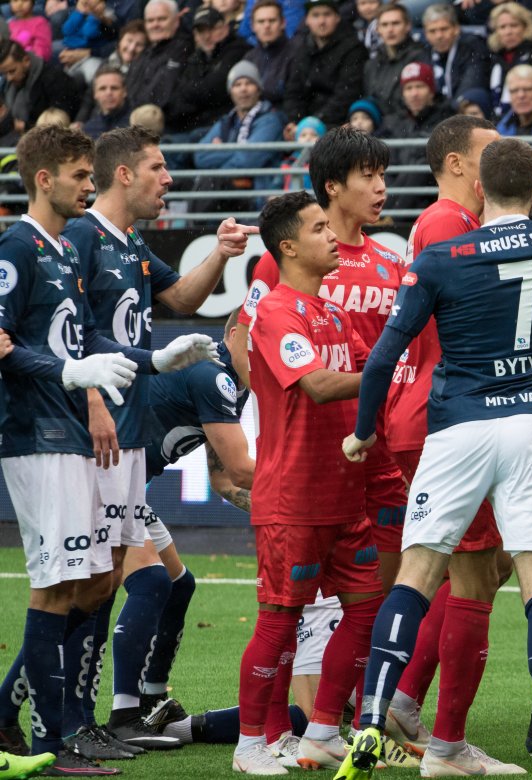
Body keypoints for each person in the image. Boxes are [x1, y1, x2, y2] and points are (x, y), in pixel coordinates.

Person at [337, 136, 532, 780]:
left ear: (480, 188)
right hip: (529, 425)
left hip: (456, 428)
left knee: (417, 574)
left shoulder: (440, 256)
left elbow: (386, 356)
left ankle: (368, 725)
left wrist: (363, 430)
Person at [0, 125, 219, 776]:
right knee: (63, 584)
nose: (87, 184)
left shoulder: (69, 251)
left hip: (91, 427)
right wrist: (76, 383)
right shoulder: (26, 244)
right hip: (47, 431)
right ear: (46, 178)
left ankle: (65, 724)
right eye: (77, 174)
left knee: (94, 580)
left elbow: (91, 338)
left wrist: (154, 356)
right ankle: (54, 734)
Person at [60, 125, 256, 752]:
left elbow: (180, 295)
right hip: (94, 443)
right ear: (124, 174)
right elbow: (69, 333)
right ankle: (99, 715)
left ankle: (133, 704)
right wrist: (92, 398)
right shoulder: (82, 237)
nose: (169, 179)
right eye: (159, 167)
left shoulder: (133, 243)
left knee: (162, 584)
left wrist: (221, 254)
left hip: (129, 455)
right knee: (107, 586)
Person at [375, 115, 519, 776]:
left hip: (436, 414)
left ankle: (403, 703)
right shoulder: (446, 223)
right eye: (491, 154)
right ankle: (445, 745)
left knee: (485, 568)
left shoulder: (454, 224)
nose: (502, 163)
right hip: (445, 416)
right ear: (459, 163)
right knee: (471, 576)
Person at [230, 191, 384, 775]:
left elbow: (373, 372)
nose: (333, 237)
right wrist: (386, 370)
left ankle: (321, 731)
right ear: (288, 246)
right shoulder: (274, 312)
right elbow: (318, 384)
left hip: (345, 496)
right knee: (280, 619)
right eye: (321, 229)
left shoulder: (336, 314)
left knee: (366, 610)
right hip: (292, 498)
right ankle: (250, 747)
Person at [194, 59, 286, 210]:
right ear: (231, 91)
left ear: (258, 89)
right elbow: (199, 156)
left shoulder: (270, 120)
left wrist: (222, 150)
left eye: (249, 83)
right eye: (237, 84)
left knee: (209, 182)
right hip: (227, 195)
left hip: (257, 199)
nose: (243, 89)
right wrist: (239, 150)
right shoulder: (226, 122)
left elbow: (248, 161)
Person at [167, 5, 251, 137]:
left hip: (222, 126)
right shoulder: (196, 57)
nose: (206, 36)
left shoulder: (239, 50)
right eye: (201, 31)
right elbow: (178, 95)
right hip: (193, 125)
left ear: (225, 28)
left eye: (211, 29)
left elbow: (215, 89)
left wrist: (192, 95)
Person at [282, 0, 366, 131]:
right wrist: (296, 121)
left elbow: (346, 94)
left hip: (338, 124)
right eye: (315, 15)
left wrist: (314, 123)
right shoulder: (301, 50)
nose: (321, 21)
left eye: (327, 14)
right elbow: (293, 92)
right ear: (307, 20)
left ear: (337, 17)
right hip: (305, 127)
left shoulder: (353, 48)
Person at [384, 62, 456, 212]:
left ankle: (390, 216)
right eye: (409, 88)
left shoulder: (447, 118)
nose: (414, 93)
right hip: (399, 192)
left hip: (431, 196)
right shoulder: (394, 121)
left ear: (431, 91)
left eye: (420, 87)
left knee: (419, 167)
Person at [0, 40, 84, 132]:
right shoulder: (9, 84)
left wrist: (23, 126)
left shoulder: (55, 79)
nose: (9, 78)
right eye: (4, 73)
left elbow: (60, 123)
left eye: (12, 71)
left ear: (26, 60)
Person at [363, 3, 427, 122]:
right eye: (385, 25)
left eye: (395, 23)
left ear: (408, 26)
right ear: (378, 29)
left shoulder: (420, 57)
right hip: (378, 128)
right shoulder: (371, 64)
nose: (390, 30)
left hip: (407, 128)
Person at [126, 0, 193, 112]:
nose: (155, 25)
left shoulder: (183, 48)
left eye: (162, 19)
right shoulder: (145, 53)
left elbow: (162, 96)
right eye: (150, 20)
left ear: (176, 21)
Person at [487, 2, 532, 117]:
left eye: (514, 25)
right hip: (497, 116)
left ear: (525, 27)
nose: (508, 32)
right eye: (502, 27)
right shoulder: (492, 57)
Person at [421, 3, 490, 103]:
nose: (439, 36)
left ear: (456, 29)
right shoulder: (423, 53)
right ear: (425, 34)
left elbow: (469, 88)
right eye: (432, 31)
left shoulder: (473, 47)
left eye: (444, 29)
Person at [242, 0, 298, 107]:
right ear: (253, 26)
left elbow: (294, 97)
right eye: (261, 21)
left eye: (272, 21)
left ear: (283, 23)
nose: (267, 26)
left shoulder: (296, 53)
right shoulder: (249, 58)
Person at [81, 66, 133, 139]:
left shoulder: (135, 125)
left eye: (114, 88)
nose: (108, 93)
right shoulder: (88, 129)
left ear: (124, 91)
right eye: (102, 88)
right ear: (95, 94)